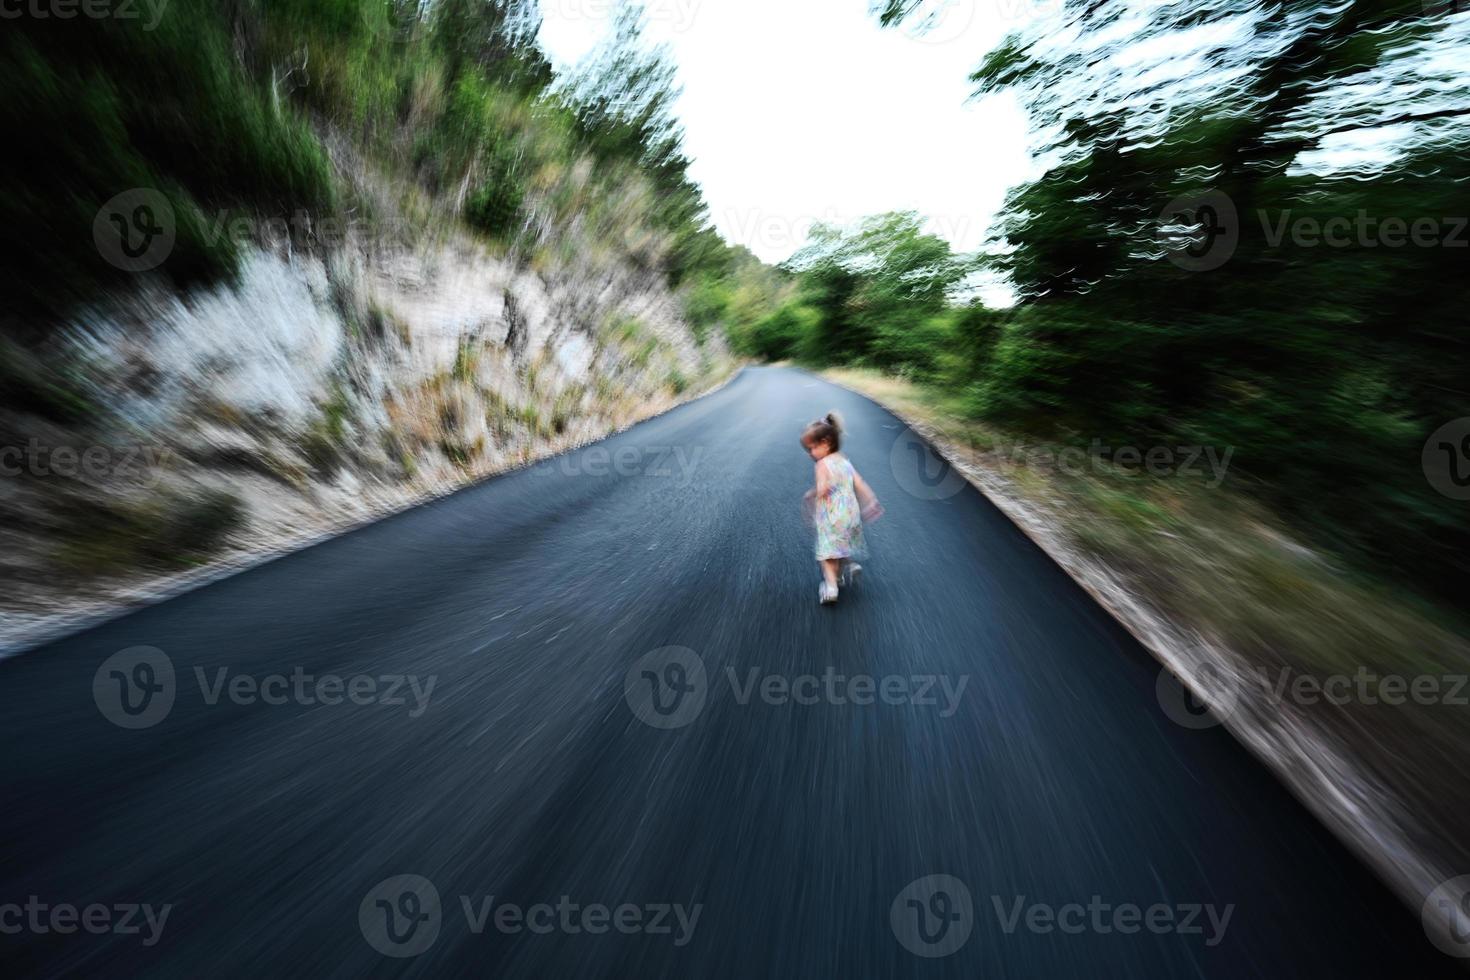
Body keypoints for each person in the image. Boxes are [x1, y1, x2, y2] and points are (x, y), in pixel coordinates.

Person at [801, 411, 882, 605]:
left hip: (831, 515)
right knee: (840, 543)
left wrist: (811, 495)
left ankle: (831, 587)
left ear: (826, 443)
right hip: (850, 513)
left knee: (826, 552)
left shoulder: (822, 465)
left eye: (812, 448)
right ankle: (848, 566)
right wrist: (871, 500)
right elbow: (860, 482)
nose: (810, 453)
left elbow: (823, 490)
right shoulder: (844, 461)